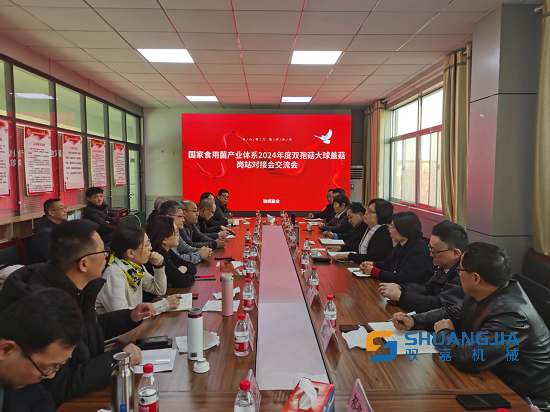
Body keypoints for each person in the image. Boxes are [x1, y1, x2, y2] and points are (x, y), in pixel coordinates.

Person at [0, 220, 154, 406]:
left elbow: (89, 328)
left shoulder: (73, 286)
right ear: (84, 263)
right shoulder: (43, 307)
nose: (107, 256)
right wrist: (118, 359)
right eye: (103, 252)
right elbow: (60, 384)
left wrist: (129, 316)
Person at [393, 242, 550, 402]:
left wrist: (443, 333)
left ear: (476, 278)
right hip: (491, 375)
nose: (458, 274)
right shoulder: (485, 290)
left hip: (523, 398)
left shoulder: (512, 314)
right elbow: (452, 312)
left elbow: (468, 358)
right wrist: (414, 320)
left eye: (460, 270)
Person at [0, 288, 83, 412]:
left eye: (58, 366)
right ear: (6, 350)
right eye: (45, 368)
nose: (51, 376)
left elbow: (40, 397)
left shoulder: (17, 375)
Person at [379, 220, 468, 312]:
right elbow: (427, 288)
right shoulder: (445, 266)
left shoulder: (464, 274)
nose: (431, 254)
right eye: (430, 249)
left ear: (455, 253)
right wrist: (401, 288)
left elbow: (440, 305)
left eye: (435, 251)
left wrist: (401, 296)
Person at [95, 225, 181, 314]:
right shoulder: (114, 273)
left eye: (149, 244)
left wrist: (158, 267)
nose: (150, 248)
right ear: (131, 253)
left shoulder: (135, 268)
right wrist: (163, 305)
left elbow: (158, 290)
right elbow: (121, 314)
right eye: (147, 245)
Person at [359, 211, 433, 284]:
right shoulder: (402, 243)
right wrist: (372, 264)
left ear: (404, 228)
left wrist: (374, 271)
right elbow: (388, 263)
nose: (390, 231)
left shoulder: (419, 249)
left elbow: (402, 277)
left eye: (393, 227)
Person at [330, 198, 393, 264]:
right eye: (367, 209)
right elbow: (360, 246)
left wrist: (348, 256)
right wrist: (341, 248)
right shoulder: (370, 228)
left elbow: (372, 257)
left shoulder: (382, 232)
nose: (366, 213)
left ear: (380, 214)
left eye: (370, 211)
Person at [145, 216, 196, 289]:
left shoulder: (167, 250)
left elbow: (192, 266)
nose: (178, 236)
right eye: (175, 233)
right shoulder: (158, 254)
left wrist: (185, 268)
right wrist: (188, 275)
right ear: (164, 240)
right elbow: (182, 281)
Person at [31, 198, 68, 264]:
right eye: (61, 208)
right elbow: (54, 258)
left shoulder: (62, 226)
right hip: (48, 267)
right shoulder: (43, 233)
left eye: (65, 207)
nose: (65, 210)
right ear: (51, 213)